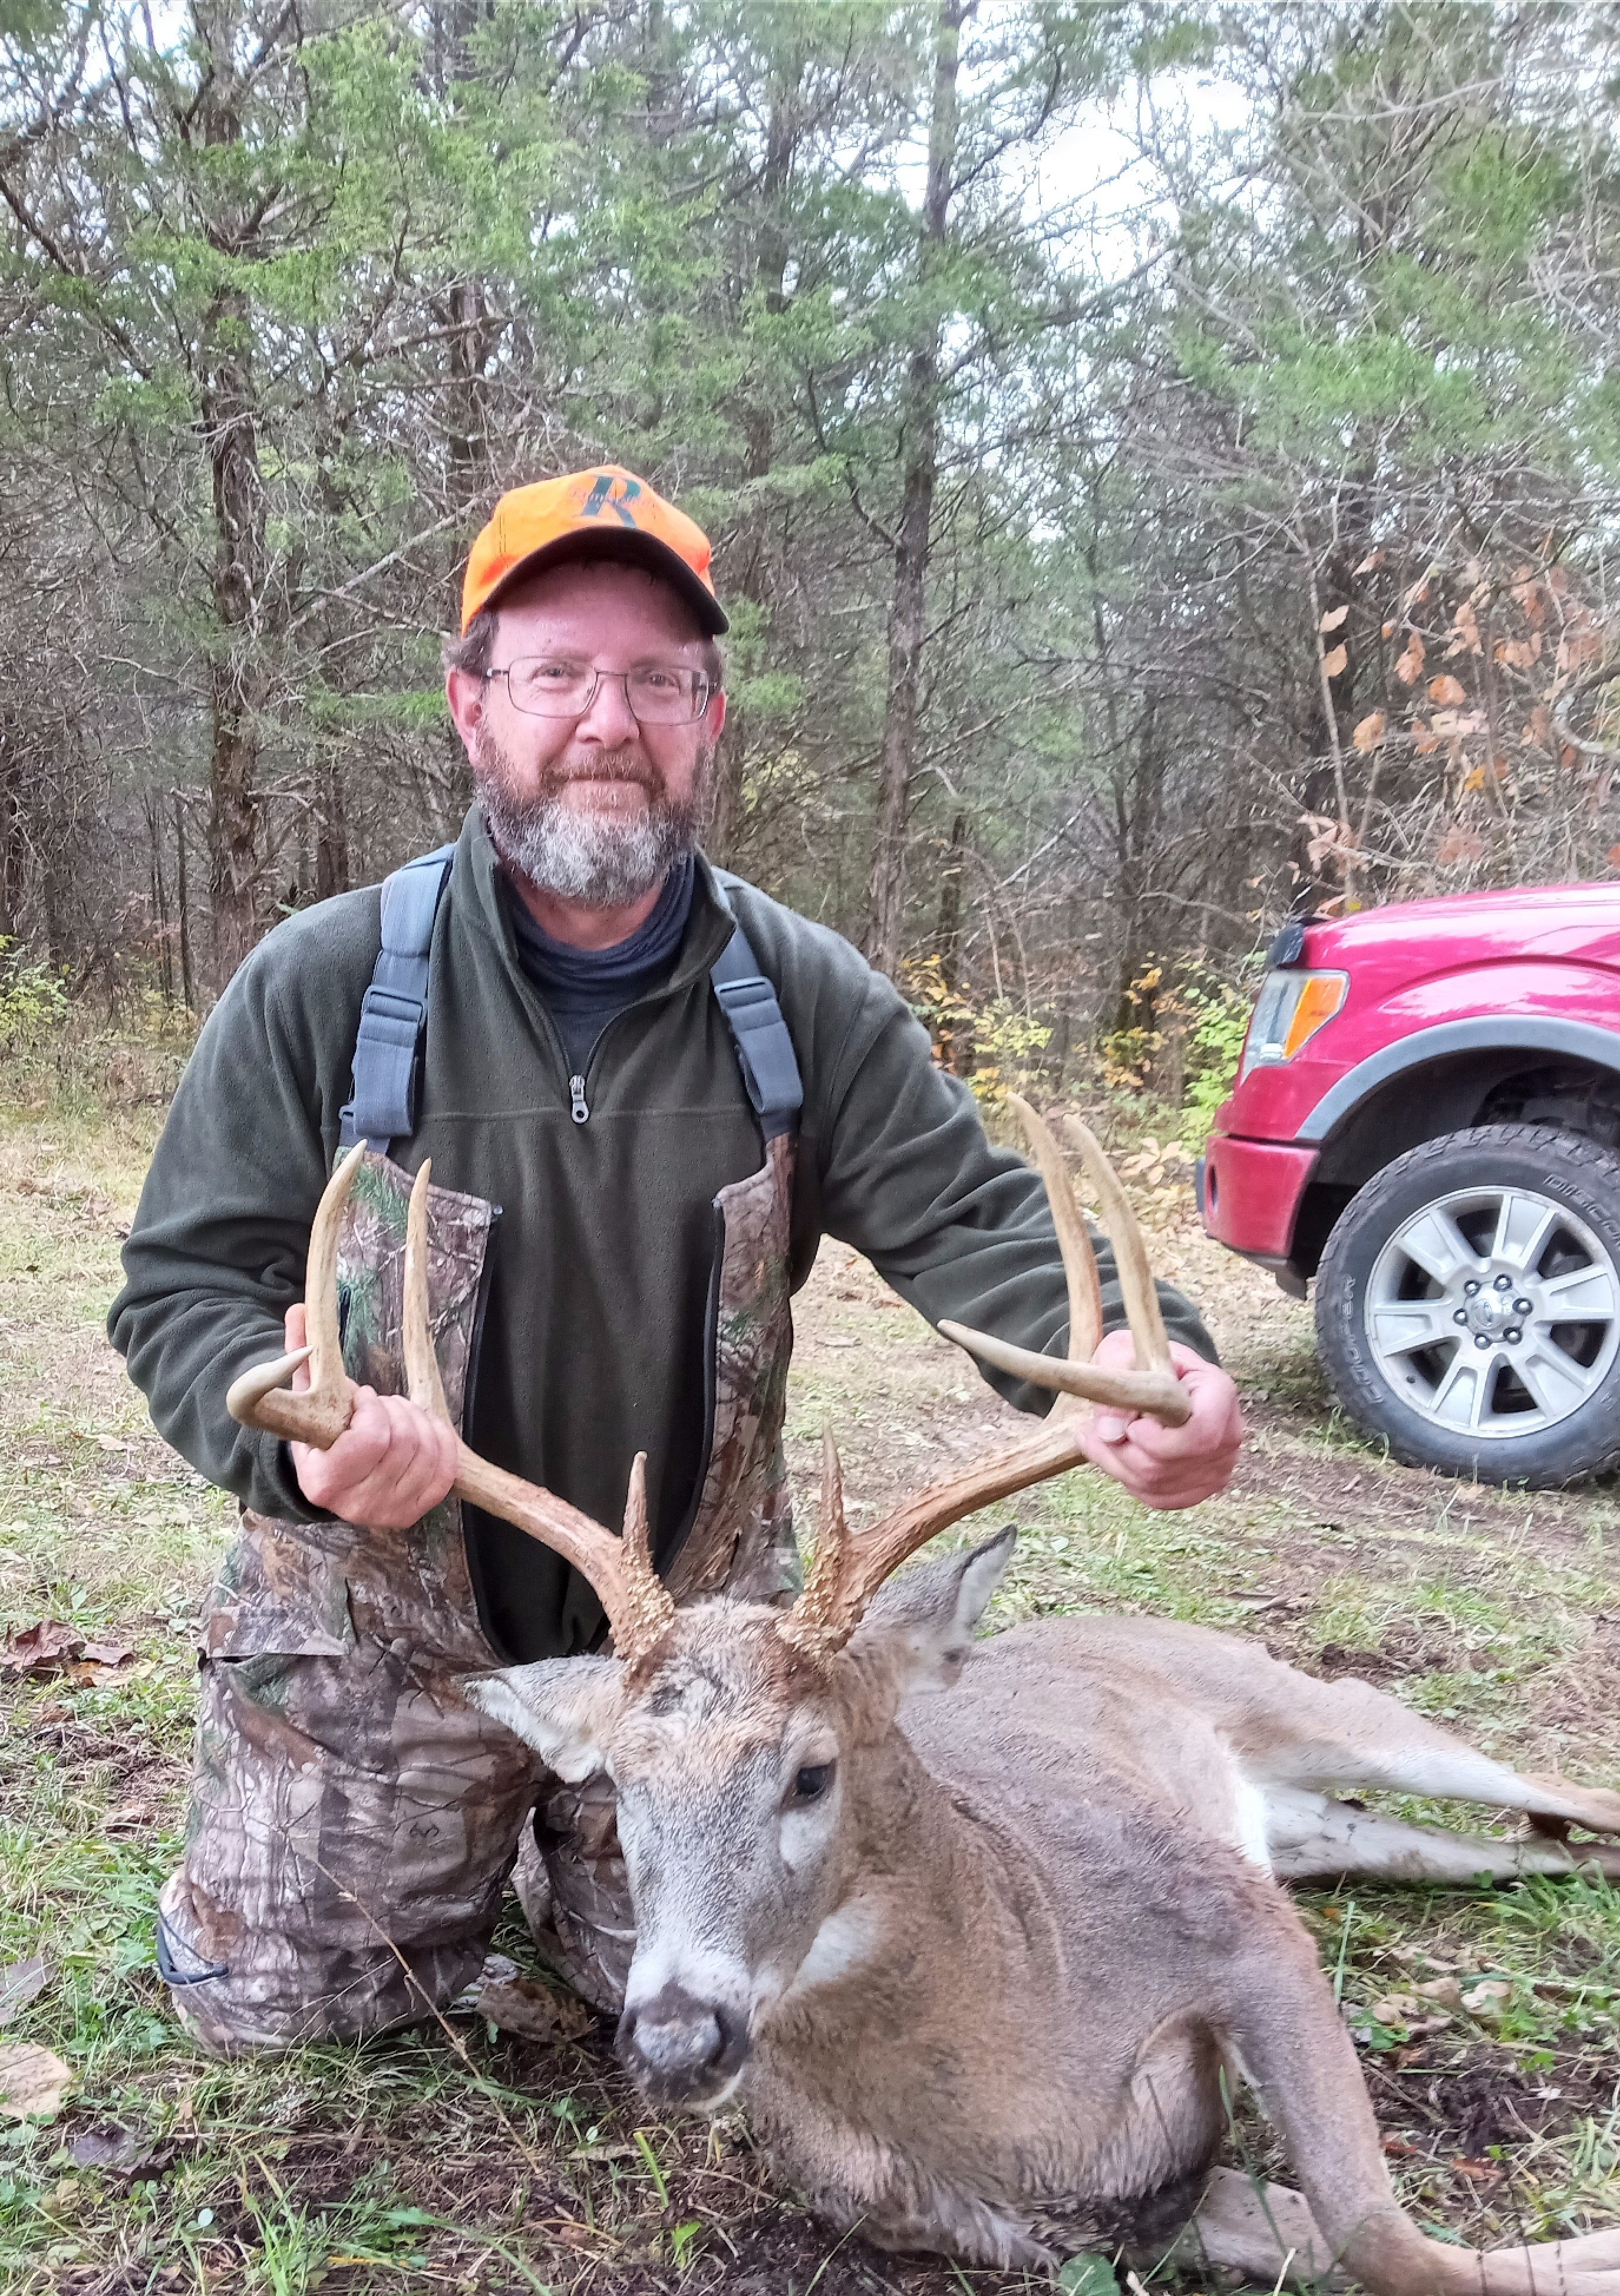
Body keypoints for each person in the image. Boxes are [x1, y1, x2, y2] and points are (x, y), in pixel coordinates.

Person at [110, 465, 1246, 2057]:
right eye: (557, 673)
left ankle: (563, 1857)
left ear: (709, 718)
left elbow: (979, 1220)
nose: (607, 721)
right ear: (468, 707)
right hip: (384, 1638)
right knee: (281, 2017)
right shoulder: (328, 983)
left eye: (658, 679)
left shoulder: (799, 996)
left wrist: (1146, 1352)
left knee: (762, 2005)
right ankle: (457, 1823)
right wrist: (292, 1446)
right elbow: (179, 1293)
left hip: (701, 1675)